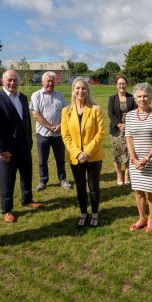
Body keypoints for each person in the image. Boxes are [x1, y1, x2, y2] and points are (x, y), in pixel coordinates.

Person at [0, 69, 42, 223]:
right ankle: (7, 209)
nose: (12, 83)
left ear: (19, 81)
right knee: (7, 180)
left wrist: (29, 140)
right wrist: (1, 149)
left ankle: (27, 199)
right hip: (8, 151)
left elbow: (26, 121)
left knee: (26, 175)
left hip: (24, 147)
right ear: (2, 81)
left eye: (15, 80)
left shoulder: (23, 98)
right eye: (9, 80)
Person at [61, 77, 105, 228]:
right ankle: (83, 213)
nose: (80, 91)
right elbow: (65, 136)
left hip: (93, 156)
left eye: (83, 88)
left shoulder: (95, 109)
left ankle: (94, 214)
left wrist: (86, 152)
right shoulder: (66, 111)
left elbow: (100, 134)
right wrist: (78, 153)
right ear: (73, 90)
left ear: (87, 91)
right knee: (80, 186)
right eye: (77, 88)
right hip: (75, 157)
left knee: (93, 186)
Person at [125, 83, 152, 233]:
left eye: (145, 96)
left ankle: (150, 218)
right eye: (139, 96)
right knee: (139, 191)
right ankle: (142, 218)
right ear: (135, 99)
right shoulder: (129, 116)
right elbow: (128, 137)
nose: (142, 99)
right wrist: (134, 159)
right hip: (135, 161)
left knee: (151, 191)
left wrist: (147, 158)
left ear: (151, 98)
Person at [29, 71, 72, 191]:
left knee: (60, 159)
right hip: (43, 134)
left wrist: (59, 126)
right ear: (42, 82)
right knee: (43, 160)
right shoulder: (36, 95)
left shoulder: (60, 96)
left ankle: (62, 179)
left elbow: (66, 113)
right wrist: (49, 126)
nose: (50, 83)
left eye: (53, 81)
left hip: (58, 134)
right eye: (48, 81)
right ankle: (43, 181)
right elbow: (36, 114)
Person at [108, 74, 136, 185]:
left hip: (129, 130)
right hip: (116, 131)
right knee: (117, 154)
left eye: (123, 83)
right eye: (119, 83)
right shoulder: (112, 98)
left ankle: (126, 175)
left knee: (129, 153)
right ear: (116, 85)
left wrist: (127, 125)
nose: (121, 85)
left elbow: (135, 112)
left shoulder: (131, 98)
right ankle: (119, 175)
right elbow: (110, 114)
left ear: (126, 84)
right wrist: (119, 124)